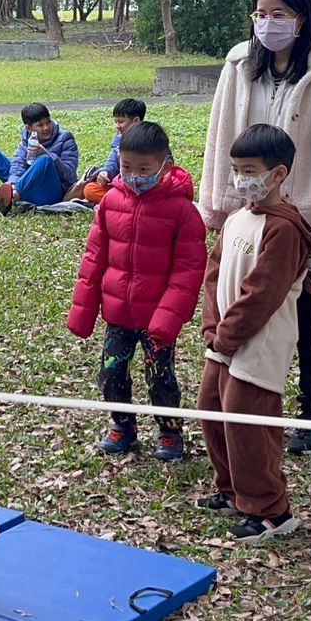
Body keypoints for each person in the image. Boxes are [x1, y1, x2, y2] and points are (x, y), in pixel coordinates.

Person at [198, 0, 311, 456]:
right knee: (240, 307)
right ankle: (238, 401)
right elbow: (220, 134)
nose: (268, 24)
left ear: (301, 18)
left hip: (301, 215)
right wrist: (218, 205)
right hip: (246, 212)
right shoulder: (238, 64)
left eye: (279, 15)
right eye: (261, 15)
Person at [194, 124, 311, 543]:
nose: (242, 180)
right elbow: (214, 273)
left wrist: (229, 334)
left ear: (278, 174)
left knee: (248, 421)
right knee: (211, 406)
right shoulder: (238, 218)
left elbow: (263, 293)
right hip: (223, 338)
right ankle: (232, 489)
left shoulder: (285, 228)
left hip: (259, 342)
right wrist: (211, 326)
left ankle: (271, 509)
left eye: (250, 170)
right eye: (236, 170)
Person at [66, 121, 207, 460]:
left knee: (160, 376)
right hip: (117, 314)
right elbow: (94, 257)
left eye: (144, 169)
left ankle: (169, 432)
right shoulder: (111, 201)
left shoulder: (183, 211)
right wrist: (83, 310)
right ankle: (122, 426)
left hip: (157, 318)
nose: (134, 175)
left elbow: (188, 270)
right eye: (127, 167)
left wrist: (166, 318)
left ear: (164, 166)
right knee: (112, 372)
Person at [79, 98, 149, 203]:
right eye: (115, 121)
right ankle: (126, 202)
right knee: (90, 190)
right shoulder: (118, 139)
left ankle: (122, 202)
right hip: (121, 186)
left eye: (121, 121)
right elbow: (111, 163)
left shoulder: (151, 137)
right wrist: (105, 172)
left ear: (136, 121)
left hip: (146, 186)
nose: (117, 126)